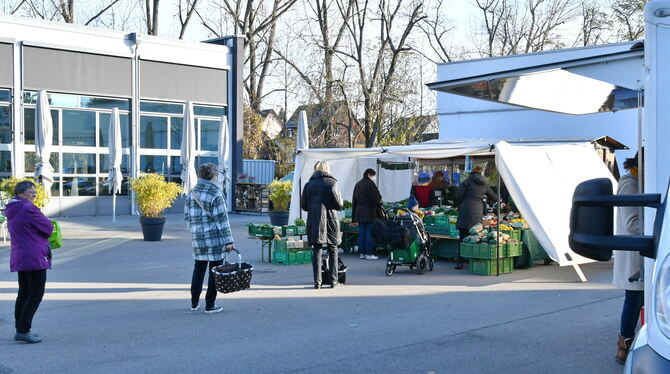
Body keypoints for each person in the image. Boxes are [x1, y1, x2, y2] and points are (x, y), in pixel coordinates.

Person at [7, 180, 54, 344]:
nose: (34, 194)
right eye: (30, 191)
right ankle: (23, 330)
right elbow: (48, 228)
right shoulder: (28, 208)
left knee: (24, 292)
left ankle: (20, 328)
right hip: (34, 256)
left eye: (34, 191)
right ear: (20, 193)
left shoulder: (12, 208)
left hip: (21, 255)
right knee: (35, 293)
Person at [185, 163, 234, 314]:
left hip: (198, 239)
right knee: (214, 270)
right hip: (215, 239)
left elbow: (187, 217)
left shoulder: (191, 192)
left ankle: (194, 303)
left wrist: (196, 230)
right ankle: (210, 304)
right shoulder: (216, 193)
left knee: (198, 270)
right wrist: (229, 241)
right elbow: (222, 220)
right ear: (214, 176)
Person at [613, 154, 644, 364]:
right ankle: (623, 343)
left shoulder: (639, 182)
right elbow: (633, 223)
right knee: (633, 300)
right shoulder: (630, 184)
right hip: (634, 254)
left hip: (643, 252)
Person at [301, 160, 344, 289]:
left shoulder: (309, 184)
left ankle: (317, 282)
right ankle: (333, 281)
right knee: (333, 249)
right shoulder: (332, 182)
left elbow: (304, 205)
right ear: (327, 169)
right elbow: (339, 204)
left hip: (314, 219)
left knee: (317, 249)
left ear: (315, 169)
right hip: (330, 219)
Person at [454, 166, 498, 270]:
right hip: (477, 212)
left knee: (462, 238)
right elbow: (495, 197)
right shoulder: (484, 184)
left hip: (465, 211)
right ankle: (473, 261)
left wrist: (461, 203)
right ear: (481, 173)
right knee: (475, 237)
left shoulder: (466, 182)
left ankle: (460, 262)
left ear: (472, 173)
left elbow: (458, 196)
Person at [352, 168, 384, 260]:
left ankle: (362, 253)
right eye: (373, 175)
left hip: (359, 212)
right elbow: (377, 198)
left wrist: (354, 217)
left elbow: (354, 200)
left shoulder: (358, 184)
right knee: (369, 232)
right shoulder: (370, 184)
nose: (373, 178)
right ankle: (369, 254)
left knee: (362, 232)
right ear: (369, 175)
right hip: (369, 212)